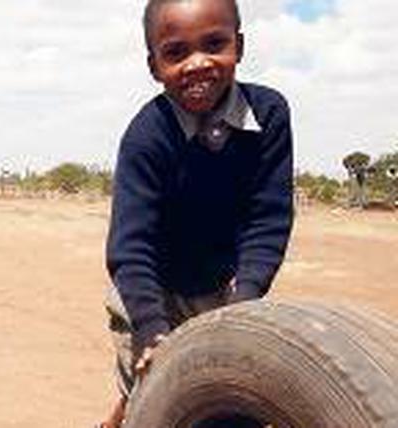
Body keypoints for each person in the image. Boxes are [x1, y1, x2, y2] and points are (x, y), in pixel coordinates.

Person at [99, 1, 294, 426]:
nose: (197, 63)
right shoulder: (147, 136)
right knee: (152, 391)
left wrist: (243, 305)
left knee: (228, 397)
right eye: (176, 52)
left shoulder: (269, 115)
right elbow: (130, 247)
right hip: (148, 291)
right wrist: (152, 328)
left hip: (220, 288)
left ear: (238, 46)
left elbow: (268, 219)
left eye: (214, 44)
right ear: (154, 66)